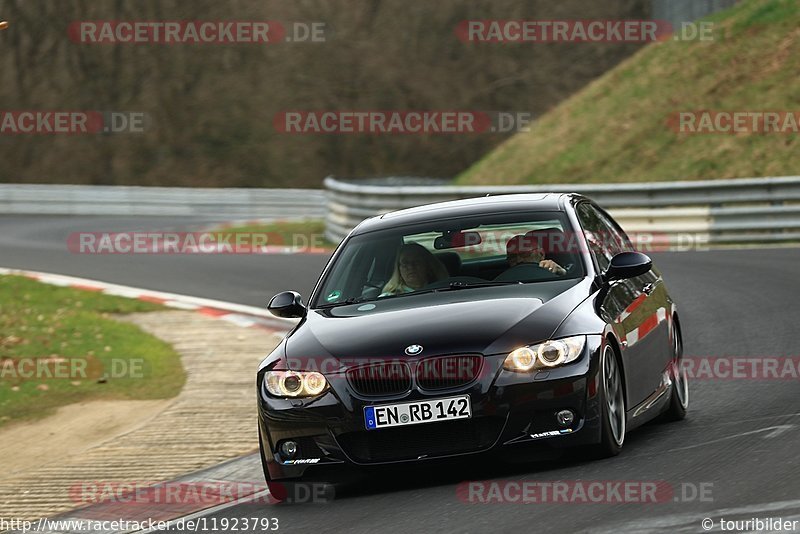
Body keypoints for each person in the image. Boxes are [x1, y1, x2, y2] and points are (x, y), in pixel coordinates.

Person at [381, 243, 449, 296]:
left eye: (416, 261)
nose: (411, 267)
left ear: (428, 266)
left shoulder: (446, 291)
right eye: (405, 263)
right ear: (399, 270)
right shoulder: (388, 299)